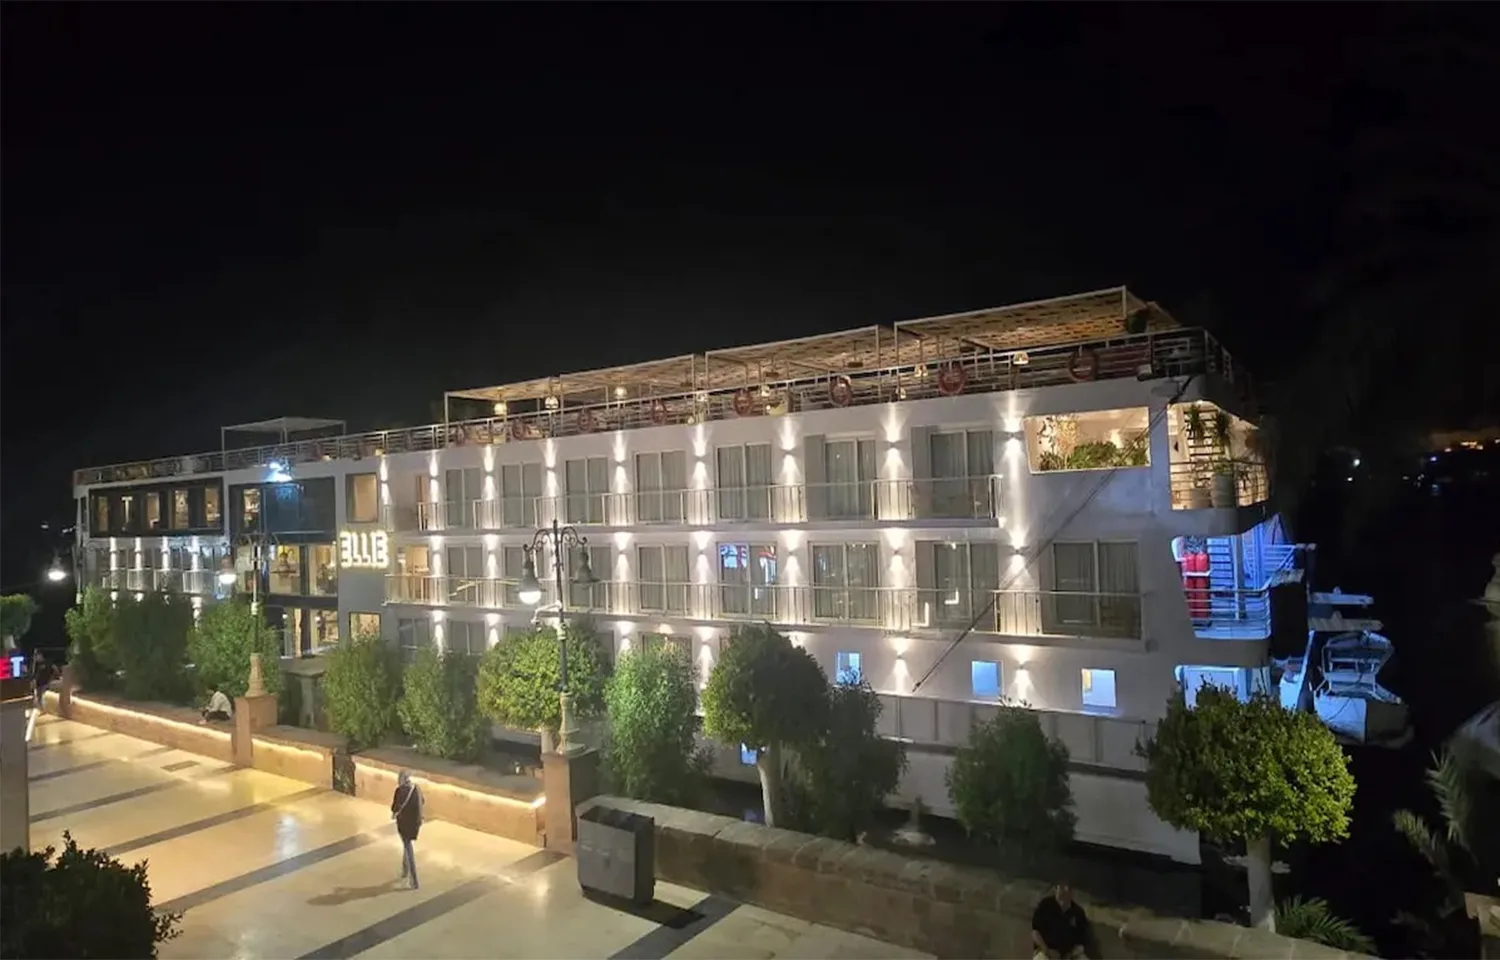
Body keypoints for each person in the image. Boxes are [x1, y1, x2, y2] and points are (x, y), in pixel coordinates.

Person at [1032, 882, 1093, 959]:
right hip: (1046, 952)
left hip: (1071, 955)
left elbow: (1081, 941)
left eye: (1069, 888)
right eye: (1062, 887)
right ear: (1055, 889)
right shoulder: (1045, 906)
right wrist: (1047, 951)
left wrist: (1070, 955)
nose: (1065, 890)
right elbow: (1035, 932)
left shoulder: (1078, 912)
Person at [392, 770, 424, 889]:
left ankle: (414, 879)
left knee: (408, 847)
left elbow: (394, 807)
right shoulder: (417, 788)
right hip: (416, 823)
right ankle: (405, 870)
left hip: (404, 823)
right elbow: (423, 801)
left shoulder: (400, 791)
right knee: (407, 844)